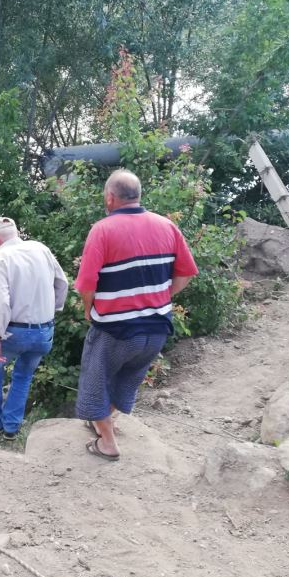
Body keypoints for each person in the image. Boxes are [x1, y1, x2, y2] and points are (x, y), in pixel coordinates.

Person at [74, 169, 198, 461]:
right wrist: (161, 298)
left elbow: (86, 284)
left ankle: (107, 442)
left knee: (96, 380)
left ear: (110, 198)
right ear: (138, 195)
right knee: (128, 379)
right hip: (156, 328)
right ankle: (107, 421)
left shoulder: (102, 230)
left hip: (115, 329)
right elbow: (187, 273)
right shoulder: (167, 226)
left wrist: (88, 309)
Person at [0, 217, 68, 440]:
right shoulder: (41, 248)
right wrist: (52, 309)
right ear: (16, 232)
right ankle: (11, 427)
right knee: (24, 376)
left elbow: (1, 303)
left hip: (14, 332)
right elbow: (62, 283)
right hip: (44, 331)